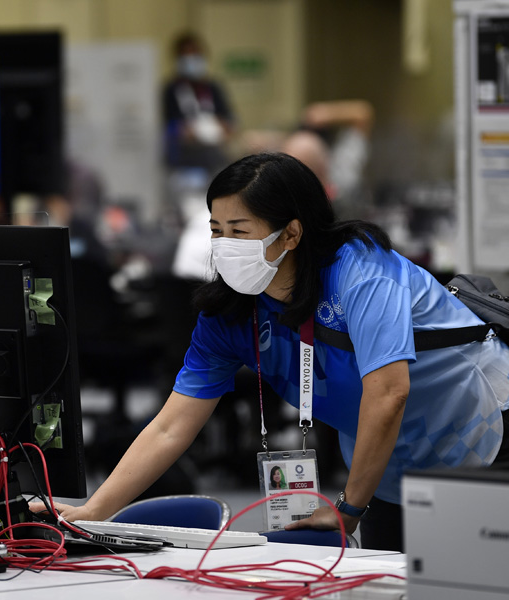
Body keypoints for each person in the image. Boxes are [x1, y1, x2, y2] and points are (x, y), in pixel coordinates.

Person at [38, 152, 509, 552]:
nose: (223, 245)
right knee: (398, 584)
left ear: (291, 234)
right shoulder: (229, 315)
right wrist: (93, 512)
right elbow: (170, 426)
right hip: (389, 465)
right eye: (216, 229)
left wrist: (347, 508)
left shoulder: (361, 273)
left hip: (485, 432)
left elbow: (389, 395)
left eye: (239, 230)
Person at [163, 32, 236, 174]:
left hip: (215, 159)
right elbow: (167, 124)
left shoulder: (213, 87)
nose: (191, 59)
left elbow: (229, 119)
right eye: (186, 55)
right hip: (184, 163)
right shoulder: (171, 89)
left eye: (195, 53)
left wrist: (225, 127)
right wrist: (181, 131)